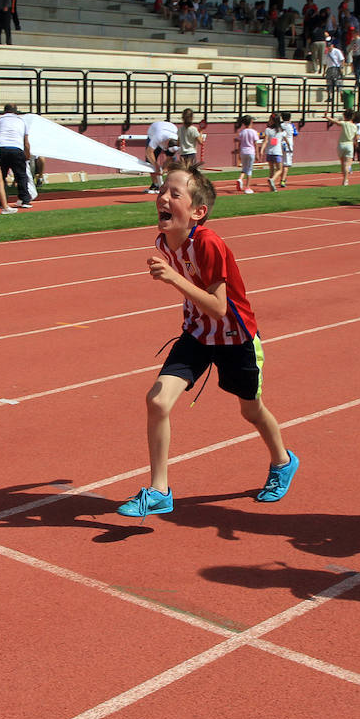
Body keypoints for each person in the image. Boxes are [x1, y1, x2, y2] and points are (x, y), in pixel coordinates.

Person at [116, 159, 297, 517]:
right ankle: (159, 490)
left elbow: (218, 306)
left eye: (174, 193)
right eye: (162, 190)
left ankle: (282, 461)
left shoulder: (210, 244)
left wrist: (173, 279)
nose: (163, 197)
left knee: (251, 410)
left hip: (235, 337)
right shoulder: (165, 240)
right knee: (157, 401)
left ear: (198, 211)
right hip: (198, 334)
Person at [0, 103, 31, 208]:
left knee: (1, 176)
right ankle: (24, 200)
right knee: (21, 175)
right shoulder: (22, 121)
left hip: (2, 148)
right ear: (16, 111)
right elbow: (26, 141)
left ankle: (1, 200)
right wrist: (27, 154)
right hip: (17, 148)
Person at [324, 110, 360, 187]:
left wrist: (327, 117)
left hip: (341, 144)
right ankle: (346, 180)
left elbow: (335, 122)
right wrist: (356, 143)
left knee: (343, 163)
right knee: (347, 164)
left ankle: (345, 177)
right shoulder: (354, 126)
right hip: (349, 144)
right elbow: (357, 137)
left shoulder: (344, 123)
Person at [145, 118, 180, 193]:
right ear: (167, 143)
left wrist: (163, 170)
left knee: (171, 163)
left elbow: (170, 158)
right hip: (153, 132)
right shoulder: (158, 136)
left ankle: (167, 184)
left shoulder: (178, 140)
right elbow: (149, 152)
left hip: (169, 129)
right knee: (150, 161)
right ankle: (155, 184)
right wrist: (156, 166)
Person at [260, 113, 284, 192]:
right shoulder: (281, 130)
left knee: (271, 169)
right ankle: (272, 180)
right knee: (280, 169)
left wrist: (262, 150)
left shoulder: (268, 130)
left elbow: (265, 141)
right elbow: (285, 138)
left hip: (269, 152)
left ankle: (271, 187)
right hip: (277, 152)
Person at [234, 115, 257, 194]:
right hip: (251, 151)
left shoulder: (242, 132)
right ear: (251, 122)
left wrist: (239, 151)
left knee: (244, 168)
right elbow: (255, 143)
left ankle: (240, 178)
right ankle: (247, 187)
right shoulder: (253, 132)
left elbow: (240, 143)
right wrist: (257, 154)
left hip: (243, 151)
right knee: (249, 170)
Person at [276, 111, 297, 189]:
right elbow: (295, 133)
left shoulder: (280, 125)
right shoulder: (291, 126)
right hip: (288, 145)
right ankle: (283, 180)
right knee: (286, 165)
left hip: (280, 144)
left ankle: (281, 178)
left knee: (281, 163)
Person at [325, 37, 345, 108]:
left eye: (330, 46)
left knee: (338, 83)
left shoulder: (337, 51)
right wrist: (324, 71)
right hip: (330, 68)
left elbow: (342, 60)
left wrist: (342, 68)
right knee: (329, 83)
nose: (329, 47)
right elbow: (326, 63)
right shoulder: (327, 53)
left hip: (336, 68)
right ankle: (330, 96)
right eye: (328, 46)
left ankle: (341, 95)